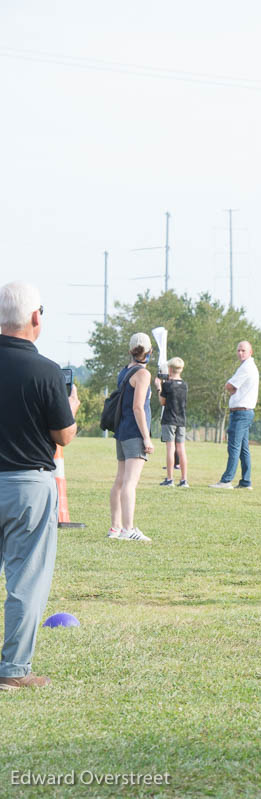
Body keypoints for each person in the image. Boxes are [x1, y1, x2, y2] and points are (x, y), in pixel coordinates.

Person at [0, 282, 80, 690]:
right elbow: (63, 435)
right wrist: (74, 410)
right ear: (35, 318)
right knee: (25, 579)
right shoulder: (46, 371)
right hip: (28, 484)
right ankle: (13, 671)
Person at [108, 332, 155, 542]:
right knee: (130, 483)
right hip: (134, 432)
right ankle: (128, 529)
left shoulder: (124, 371)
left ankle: (115, 528)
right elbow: (139, 407)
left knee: (119, 480)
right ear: (149, 351)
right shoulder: (143, 375)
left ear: (130, 350)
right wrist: (147, 437)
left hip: (121, 430)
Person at [210, 340, 259, 490]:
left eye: (243, 350)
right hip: (244, 412)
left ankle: (226, 480)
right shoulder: (247, 366)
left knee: (234, 447)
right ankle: (245, 481)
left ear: (250, 352)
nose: (240, 353)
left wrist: (231, 389)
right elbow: (232, 386)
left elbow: (229, 385)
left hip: (241, 413)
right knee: (243, 448)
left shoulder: (246, 368)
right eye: (238, 350)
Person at [155, 356, 189, 488]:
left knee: (170, 448)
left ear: (169, 369)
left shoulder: (167, 385)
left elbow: (162, 402)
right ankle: (184, 479)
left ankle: (170, 479)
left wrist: (159, 388)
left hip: (169, 419)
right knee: (181, 449)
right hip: (181, 420)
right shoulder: (185, 385)